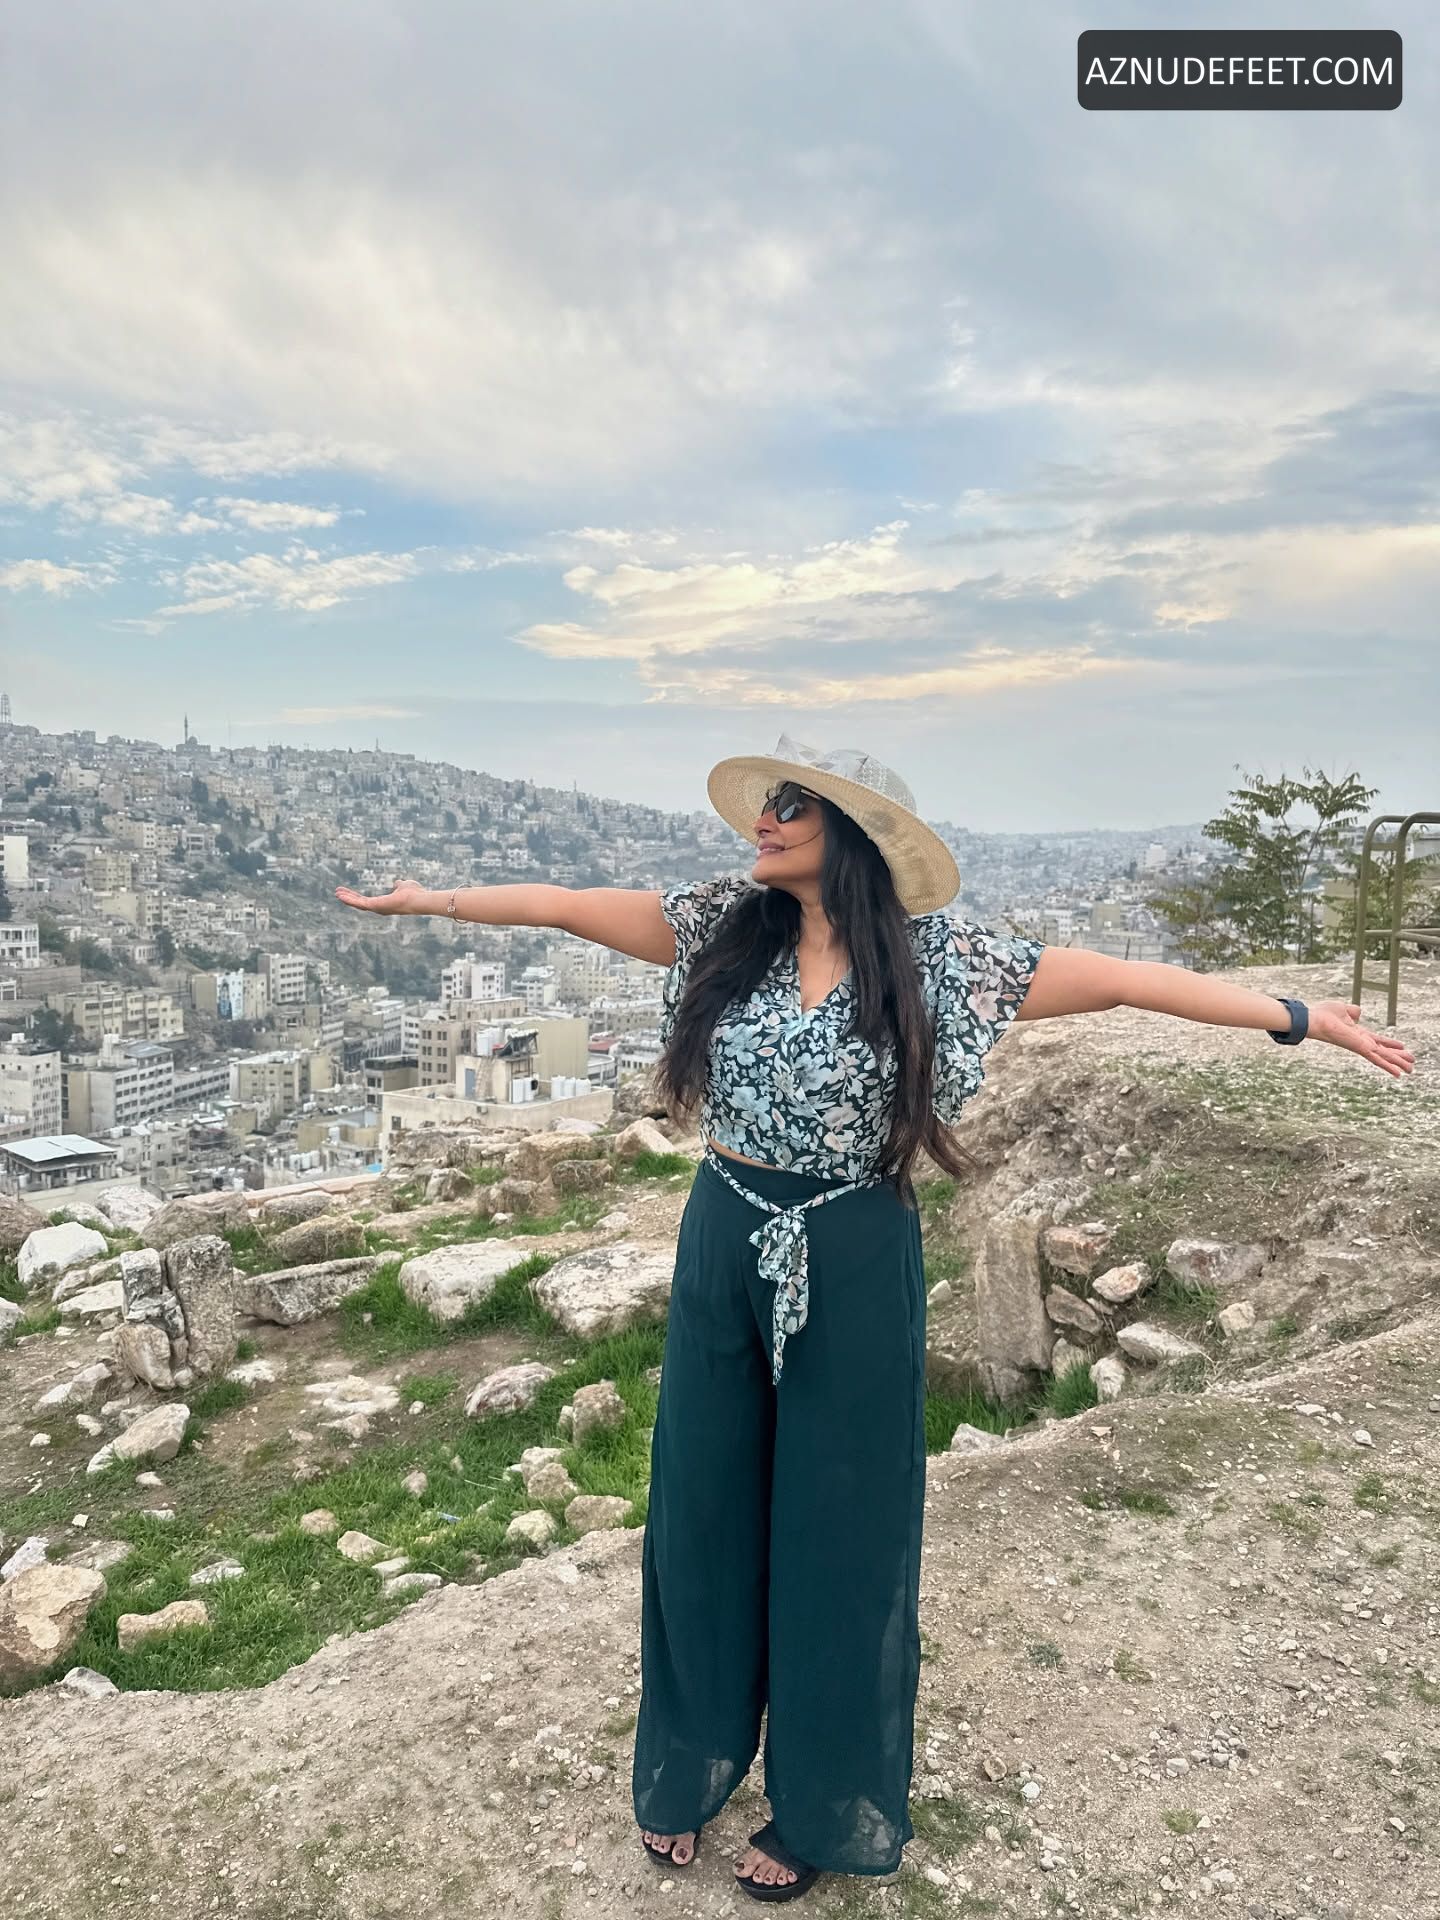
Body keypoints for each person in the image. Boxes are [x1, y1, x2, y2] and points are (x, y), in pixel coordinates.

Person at [337, 731, 1415, 1902]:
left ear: (852, 832)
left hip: (852, 1245)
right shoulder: (723, 926)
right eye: (766, 802)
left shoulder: (939, 961)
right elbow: (562, 906)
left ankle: (821, 1803)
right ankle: (689, 1764)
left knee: (840, 1526)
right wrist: (433, 900)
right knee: (701, 1501)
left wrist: (1297, 1016)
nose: (764, 819)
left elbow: (1118, 978)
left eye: (791, 805)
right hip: (723, 1232)